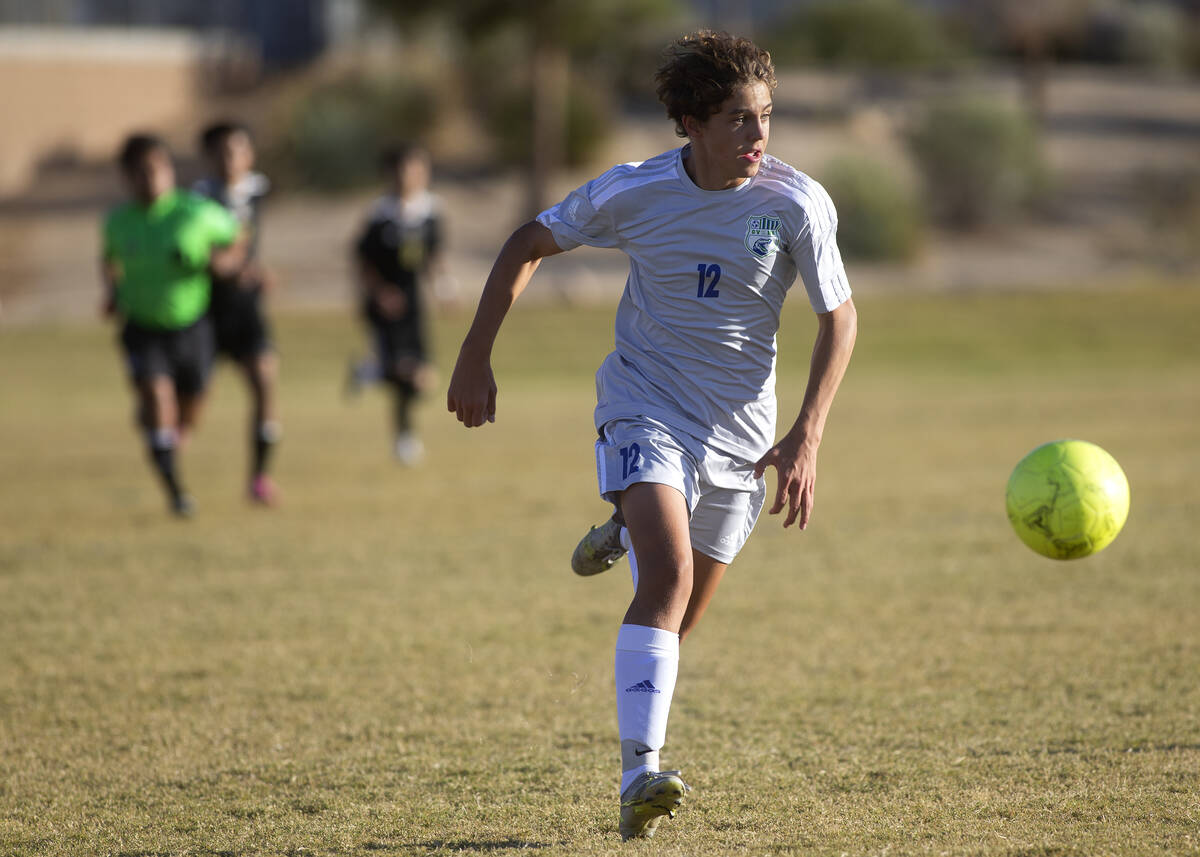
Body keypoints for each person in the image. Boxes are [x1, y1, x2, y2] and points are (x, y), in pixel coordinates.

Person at [447, 31, 858, 840]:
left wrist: (806, 435)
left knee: (680, 618)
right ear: (690, 123)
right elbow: (530, 239)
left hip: (740, 435)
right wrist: (474, 351)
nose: (757, 135)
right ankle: (640, 773)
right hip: (645, 403)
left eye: (765, 117)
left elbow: (837, 318)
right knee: (664, 580)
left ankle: (625, 523)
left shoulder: (794, 204)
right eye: (738, 119)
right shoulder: (636, 193)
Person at [101, 133, 244, 517]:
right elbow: (110, 259)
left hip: (192, 324)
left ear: (169, 170)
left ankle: (167, 432)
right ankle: (176, 492)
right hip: (142, 326)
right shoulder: (119, 221)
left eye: (158, 169)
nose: (152, 179)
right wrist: (112, 293)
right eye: (141, 173)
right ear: (127, 178)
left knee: (194, 400)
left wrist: (226, 265)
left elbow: (235, 238)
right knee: (157, 396)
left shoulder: (194, 212)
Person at [194, 120, 282, 505]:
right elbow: (204, 254)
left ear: (251, 154)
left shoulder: (256, 191)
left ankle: (259, 478)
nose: (232, 159)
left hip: (247, 310)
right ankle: (172, 462)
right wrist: (227, 266)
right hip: (204, 311)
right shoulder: (196, 201)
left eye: (239, 150)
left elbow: (248, 242)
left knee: (265, 379)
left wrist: (257, 271)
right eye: (223, 152)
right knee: (194, 401)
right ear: (210, 157)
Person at [348, 143, 443, 464]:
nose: (412, 177)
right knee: (407, 373)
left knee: (424, 379)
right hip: (384, 305)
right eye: (405, 170)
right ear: (390, 174)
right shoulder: (380, 216)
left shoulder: (430, 212)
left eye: (418, 169)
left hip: (414, 304)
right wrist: (380, 293)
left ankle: (371, 372)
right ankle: (405, 438)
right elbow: (363, 262)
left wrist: (444, 289)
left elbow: (433, 258)